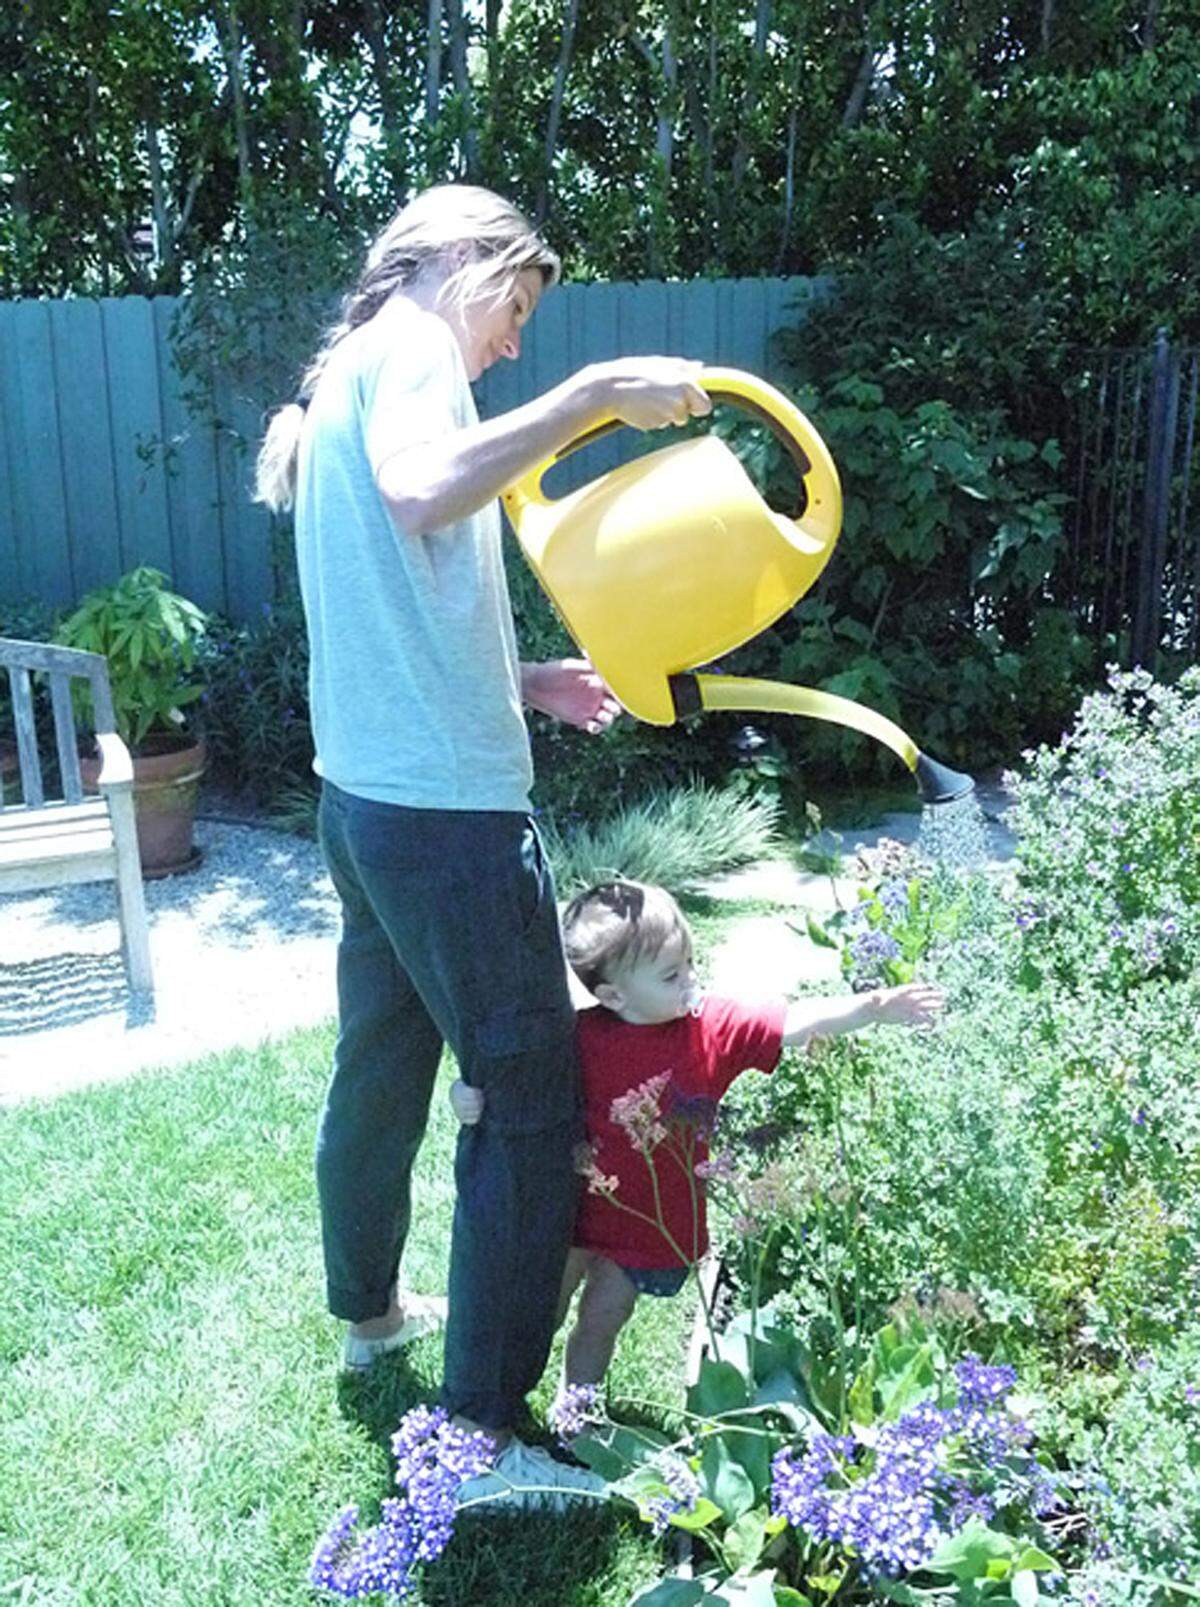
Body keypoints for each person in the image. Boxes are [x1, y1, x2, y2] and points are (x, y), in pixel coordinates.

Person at [253, 185, 712, 1502]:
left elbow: (394, 602)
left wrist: (525, 682)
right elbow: (417, 495)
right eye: (517, 308)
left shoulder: (348, 366)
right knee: (531, 1101)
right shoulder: (410, 354)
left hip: (368, 801)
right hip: (446, 823)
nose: (514, 342)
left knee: (385, 1059)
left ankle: (369, 1310)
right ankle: (487, 1431)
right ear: (463, 262)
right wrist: (590, 399)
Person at [449, 878, 944, 1398]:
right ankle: (498, 1401)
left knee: (602, 1319)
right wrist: (466, 1096)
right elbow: (513, 1084)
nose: (690, 979)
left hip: (642, 1222)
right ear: (613, 994)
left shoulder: (711, 1028)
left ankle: (576, 1416)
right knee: (536, 1314)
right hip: (569, 1212)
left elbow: (794, 1022)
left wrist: (875, 1006)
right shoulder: (578, 1035)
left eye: (689, 962)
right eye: (670, 975)